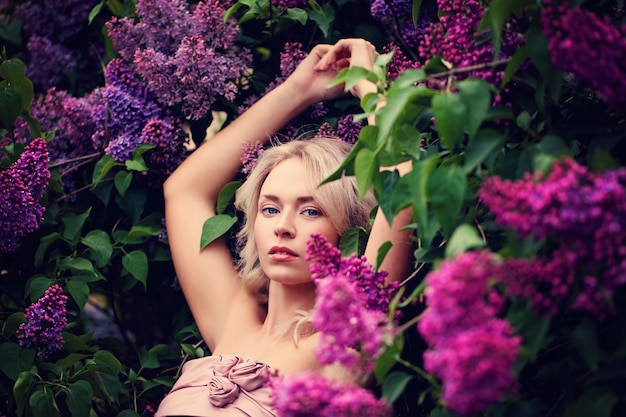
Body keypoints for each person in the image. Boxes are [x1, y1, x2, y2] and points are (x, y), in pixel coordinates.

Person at [155, 38, 414, 417]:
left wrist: (370, 86)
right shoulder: (232, 319)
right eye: (270, 208)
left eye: (311, 212)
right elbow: (184, 191)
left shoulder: (345, 338)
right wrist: (299, 89)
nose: (284, 227)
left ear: (348, 230)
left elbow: (403, 190)